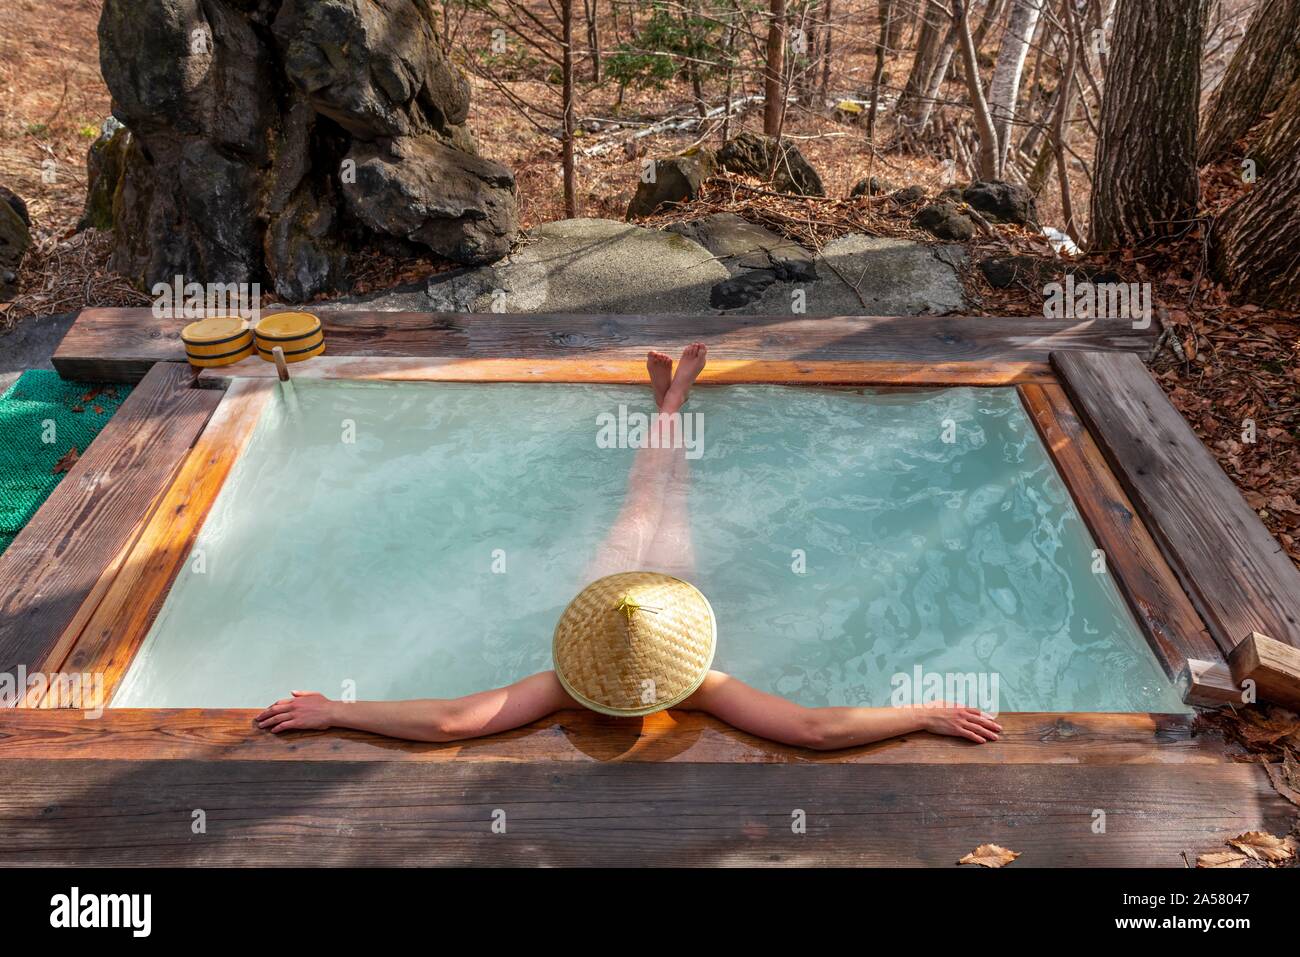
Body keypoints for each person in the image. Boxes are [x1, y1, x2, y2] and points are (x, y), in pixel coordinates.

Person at [257, 345, 1001, 750]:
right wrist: (919, 713)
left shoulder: (565, 680)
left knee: (648, 500)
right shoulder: (701, 681)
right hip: (650, 597)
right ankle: (671, 405)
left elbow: (456, 719)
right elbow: (810, 728)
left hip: (618, 591)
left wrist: (340, 710)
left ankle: (671, 406)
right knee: (661, 500)